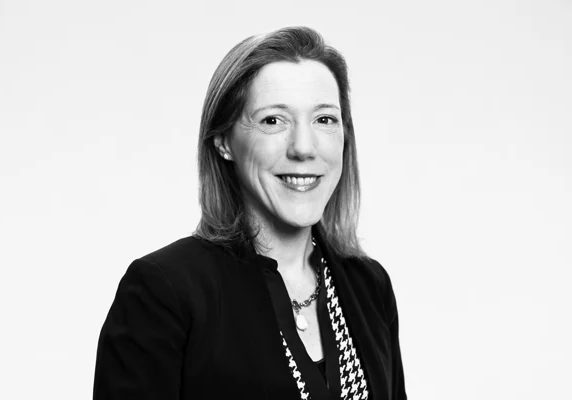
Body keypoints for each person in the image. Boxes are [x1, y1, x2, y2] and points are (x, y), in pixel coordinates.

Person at [93, 26, 407, 400]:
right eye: (273, 120)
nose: (304, 148)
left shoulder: (369, 286)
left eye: (324, 119)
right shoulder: (164, 292)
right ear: (224, 141)